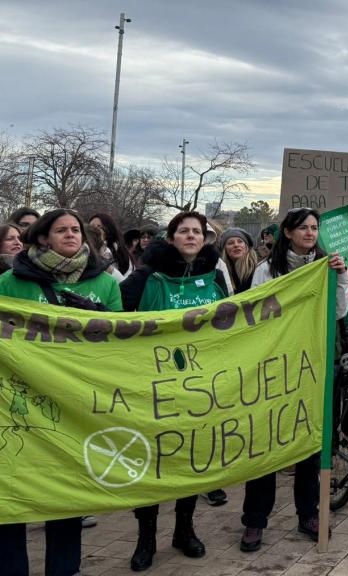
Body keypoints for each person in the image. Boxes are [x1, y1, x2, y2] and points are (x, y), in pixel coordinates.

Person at [0, 209, 123, 576]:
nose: (71, 235)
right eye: (61, 230)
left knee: (66, 496)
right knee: (12, 494)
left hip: (75, 406)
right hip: (19, 405)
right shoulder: (11, 281)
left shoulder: (105, 284)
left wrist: (100, 315)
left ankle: (64, 570)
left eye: (76, 230)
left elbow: (122, 342)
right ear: (42, 238)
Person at [119, 211, 229, 571]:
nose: (192, 236)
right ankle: (145, 540)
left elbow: (228, 324)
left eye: (198, 231)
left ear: (205, 239)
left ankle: (184, 530)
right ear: (171, 237)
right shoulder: (147, 275)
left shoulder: (214, 278)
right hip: (154, 385)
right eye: (184, 231)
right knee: (152, 463)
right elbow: (116, 316)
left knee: (188, 461)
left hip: (199, 387)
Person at [238, 208, 348, 550]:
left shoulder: (327, 265)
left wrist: (341, 278)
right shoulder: (265, 270)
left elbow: (340, 311)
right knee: (266, 443)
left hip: (313, 364)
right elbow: (257, 314)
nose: (310, 233)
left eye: (315, 227)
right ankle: (255, 520)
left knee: (311, 442)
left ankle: (309, 514)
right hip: (275, 367)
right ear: (287, 232)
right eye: (303, 227)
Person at [88, 213, 134, 279]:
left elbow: (126, 283)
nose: (94, 230)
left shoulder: (121, 253)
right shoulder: (82, 250)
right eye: (91, 226)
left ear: (108, 230)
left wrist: (110, 270)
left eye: (99, 226)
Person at [220, 227, 258, 293]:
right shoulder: (220, 272)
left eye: (240, 241)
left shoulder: (258, 269)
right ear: (225, 249)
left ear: (246, 246)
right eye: (230, 243)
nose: (236, 245)